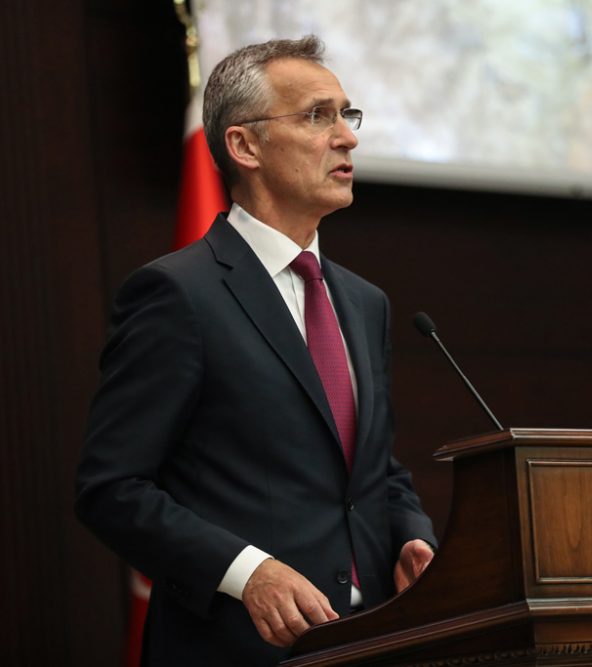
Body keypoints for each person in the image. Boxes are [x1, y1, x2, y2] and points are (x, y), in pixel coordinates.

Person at [76, 36, 436, 666]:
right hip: (234, 646)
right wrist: (247, 573)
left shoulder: (364, 301)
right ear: (244, 146)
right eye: (317, 116)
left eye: (347, 116)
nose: (348, 137)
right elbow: (112, 488)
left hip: (371, 640)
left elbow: (373, 472)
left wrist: (412, 536)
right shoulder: (177, 294)